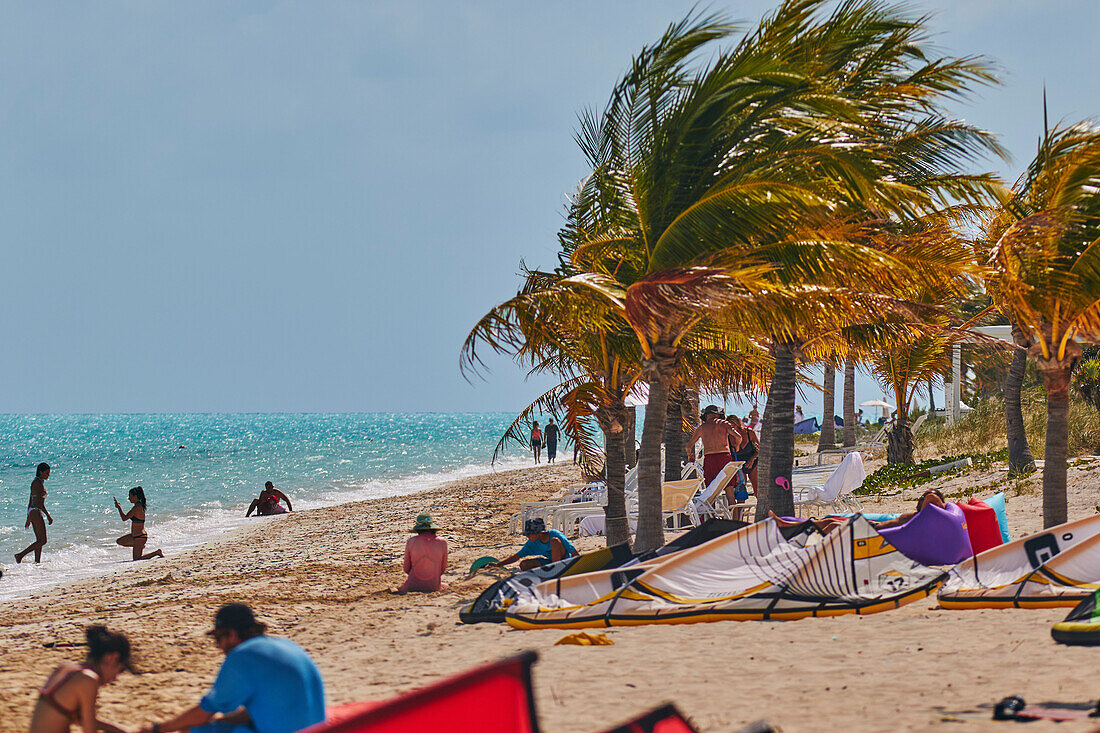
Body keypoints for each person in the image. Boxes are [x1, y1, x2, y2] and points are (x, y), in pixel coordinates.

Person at [140, 603, 325, 733]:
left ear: (232, 634)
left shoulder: (242, 656)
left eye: (218, 638)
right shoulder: (286, 646)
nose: (218, 647)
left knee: (191, 730)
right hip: (319, 728)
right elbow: (266, 709)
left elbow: (204, 713)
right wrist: (220, 720)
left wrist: (159, 729)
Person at [28, 624, 133, 733]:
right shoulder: (88, 680)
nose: (115, 678)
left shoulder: (65, 668)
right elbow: (89, 729)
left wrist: (118, 730)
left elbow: (80, 720)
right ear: (111, 658)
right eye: (119, 670)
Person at [769, 488, 949, 535]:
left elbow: (936, 504)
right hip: (873, 527)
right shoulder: (921, 514)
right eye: (926, 495)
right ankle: (788, 525)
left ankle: (790, 529)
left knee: (831, 525)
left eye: (931, 497)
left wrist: (933, 497)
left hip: (875, 532)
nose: (929, 496)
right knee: (829, 522)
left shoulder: (930, 515)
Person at [684, 406, 745, 495]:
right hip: (725, 458)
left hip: (710, 459)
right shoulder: (724, 424)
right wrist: (737, 446)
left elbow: (688, 446)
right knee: (729, 488)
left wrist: (690, 455)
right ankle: (732, 509)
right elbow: (738, 437)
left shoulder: (702, 428)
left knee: (710, 490)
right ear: (717, 414)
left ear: (706, 415)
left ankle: (711, 508)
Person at [491, 518, 578, 570]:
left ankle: (556, 569)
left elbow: (572, 550)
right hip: (551, 563)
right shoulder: (531, 543)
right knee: (524, 565)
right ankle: (552, 569)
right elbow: (516, 557)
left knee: (554, 541)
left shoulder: (554, 534)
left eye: (530, 534)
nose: (528, 536)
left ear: (539, 533)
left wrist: (578, 564)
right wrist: (498, 564)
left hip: (566, 560)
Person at [393, 514, 448, 593]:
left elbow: (406, 569)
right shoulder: (442, 542)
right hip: (434, 586)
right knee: (445, 585)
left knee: (397, 589)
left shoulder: (411, 541)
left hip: (412, 586)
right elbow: (442, 569)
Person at [114, 487, 164, 561]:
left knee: (137, 559)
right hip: (135, 536)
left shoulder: (137, 507)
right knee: (119, 541)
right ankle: (138, 546)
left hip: (140, 537)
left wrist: (119, 508)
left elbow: (124, 518)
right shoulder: (138, 506)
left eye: (130, 496)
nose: (128, 498)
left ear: (135, 496)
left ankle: (156, 552)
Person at [16, 462, 53, 564]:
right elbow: (39, 503)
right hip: (36, 510)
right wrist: (48, 516)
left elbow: (30, 500)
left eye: (49, 473)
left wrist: (28, 517)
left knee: (39, 540)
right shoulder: (37, 483)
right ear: (40, 472)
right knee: (43, 540)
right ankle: (20, 555)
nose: (48, 475)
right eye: (46, 473)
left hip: (33, 511)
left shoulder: (38, 482)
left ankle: (37, 562)